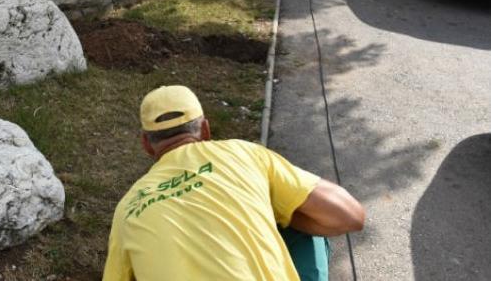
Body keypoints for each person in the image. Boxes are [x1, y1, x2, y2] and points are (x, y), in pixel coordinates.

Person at [103, 85, 365, 281]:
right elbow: (350, 215)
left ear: (147, 145)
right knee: (303, 222)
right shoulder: (242, 153)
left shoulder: (128, 207)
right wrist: (278, 216)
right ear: (205, 130)